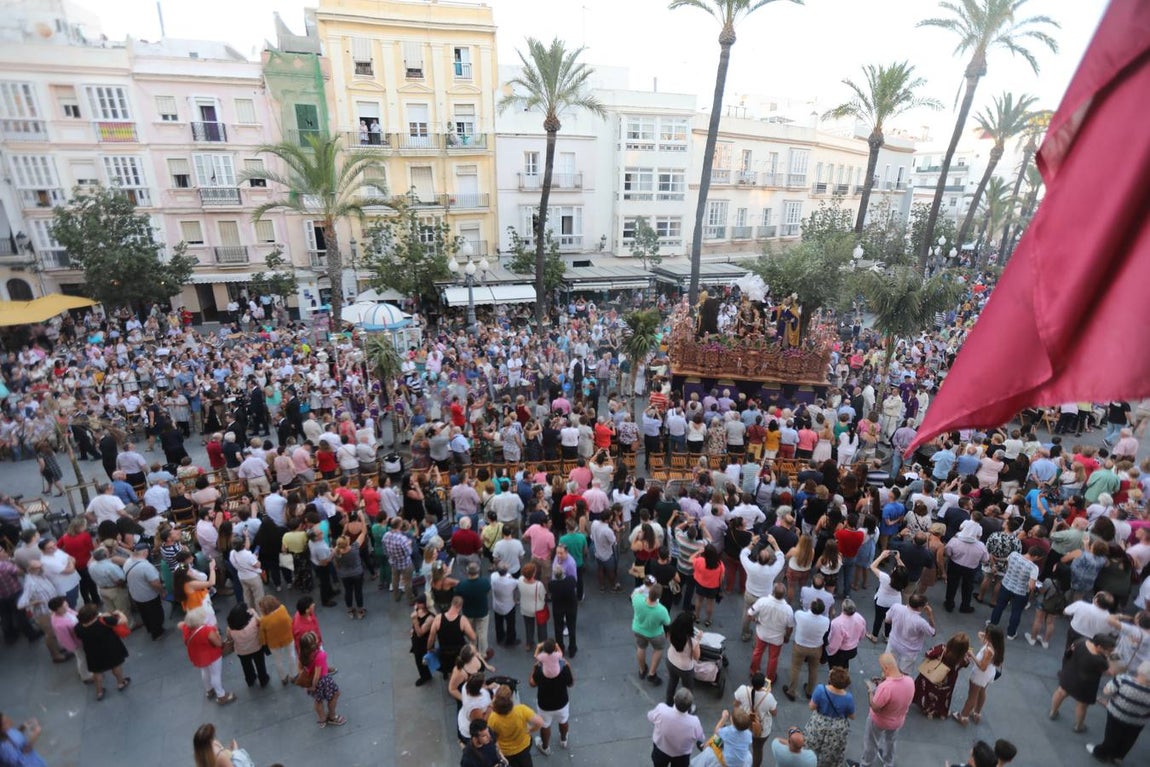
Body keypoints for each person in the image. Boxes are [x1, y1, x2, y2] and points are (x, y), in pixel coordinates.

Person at [1050, 632, 1119, 733]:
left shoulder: (1081, 641)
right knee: (1082, 705)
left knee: (1061, 692)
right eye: (1108, 650)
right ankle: (1079, 726)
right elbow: (1110, 672)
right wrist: (1114, 657)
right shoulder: (1099, 660)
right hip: (1086, 684)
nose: (1109, 652)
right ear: (1099, 646)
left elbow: (1070, 651)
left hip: (1069, 674)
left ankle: (1053, 712)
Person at [1086, 660, 1150, 763]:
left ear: (1140, 669)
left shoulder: (1124, 679)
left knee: (1112, 735)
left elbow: (1106, 691)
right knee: (1129, 739)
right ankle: (1118, 757)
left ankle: (1101, 753)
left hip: (1117, 714)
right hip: (1138, 721)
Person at [857, 653, 914, 767]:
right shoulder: (909, 681)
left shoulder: (886, 687)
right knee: (891, 742)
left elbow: (875, 706)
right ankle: (888, 762)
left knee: (871, 743)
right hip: (898, 720)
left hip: (879, 721)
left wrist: (871, 691)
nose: (882, 671)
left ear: (886, 668)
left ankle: (866, 764)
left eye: (882, 668)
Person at [73, 603, 130, 702]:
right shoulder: (105, 621)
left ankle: (99, 692)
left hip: (92, 653)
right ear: (93, 616)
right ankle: (121, 683)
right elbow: (124, 621)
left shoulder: (78, 627)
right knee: (115, 665)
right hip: (110, 649)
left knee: (97, 672)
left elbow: (78, 636)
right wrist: (119, 613)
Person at [179, 606, 236, 706]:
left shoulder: (185, 628)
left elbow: (180, 624)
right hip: (212, 655)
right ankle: (221, 695)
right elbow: (218, 643)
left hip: (198, 656)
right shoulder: (207, 630)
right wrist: (220, 640)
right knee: (215, 674)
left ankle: (209, 690)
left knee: (204, 671)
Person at [529, 638, 574, 754]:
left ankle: (545, 747)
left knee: (545, 725)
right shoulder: (563, 668)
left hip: (545, 705)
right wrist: (569, 667)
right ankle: (563, 740)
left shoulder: (539, 669)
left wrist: (533, 669)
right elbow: (571, 683)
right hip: (562, 702)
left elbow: (532, 683)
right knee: (563, 721)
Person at [803, 666, 855, 767]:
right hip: (837, 728)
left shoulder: (820, 690)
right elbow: (852, 716)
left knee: (811, 748)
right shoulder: (848, 698)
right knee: (831, 754)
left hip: (819, 723)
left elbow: (811, 706)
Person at [987, 546, 1042, 640]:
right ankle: (1011, 633)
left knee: (999, 606)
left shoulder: (1014, 555)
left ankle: (992, 624)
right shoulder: (1034, 568)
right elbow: (1031, 586)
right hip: (1020, 592)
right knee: (1016, 612)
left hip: (1006, 584)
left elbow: (1008, 565)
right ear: (1036, 557)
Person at [912, 632, 971, 719]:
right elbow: (966, 664)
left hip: (931, 675)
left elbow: (928, 653)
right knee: (942, 696)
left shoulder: (942, 649)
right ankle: (937, 711)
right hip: (947, 682)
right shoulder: (962, 659)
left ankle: (925, 706)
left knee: (927, 690)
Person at [955, 626, 1005, 725]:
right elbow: (980, 634)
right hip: (990, 673)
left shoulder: (988, 651)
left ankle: (963, 716)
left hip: (980, 674)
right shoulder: (996, 646)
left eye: (987, 634)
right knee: (982, 692)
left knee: (972, 695)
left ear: (990, 637)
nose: (984, 634)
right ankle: (977, 713)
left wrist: (972, 654)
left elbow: (982, 667)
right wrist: (987, 635)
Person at [783, 598, 830, 703]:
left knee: (795, 668)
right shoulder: (826, 621)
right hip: (816, 648)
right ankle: (809, 691)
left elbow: (793, 620)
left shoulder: (800, 615)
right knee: (813, 669)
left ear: (811, 607)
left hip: (800, 645)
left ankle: (791, 691)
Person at [486, 683, 543, 766]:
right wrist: (530, 730)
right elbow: (539, 722)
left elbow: (492, 735)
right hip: (523, 745)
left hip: (506, 751)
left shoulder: (493, 717)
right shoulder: (521, 710)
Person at [748, 583, 795, 683]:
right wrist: (787, 636)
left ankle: (754, 671)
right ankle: (770, 678)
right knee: (773, 658)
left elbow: (749, 613)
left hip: (762, 633)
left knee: (757, 652)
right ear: (784, 595)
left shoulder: (762, 601)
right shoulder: (788, 610)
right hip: (777, 638)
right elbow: (790, 627)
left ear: (773, 592)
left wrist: (756, 620)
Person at [298, 629, 346, 727]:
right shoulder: (320, 655)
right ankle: (332, 716)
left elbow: (299, 668)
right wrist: (313, 686)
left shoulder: (302, 654)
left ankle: (322, 719)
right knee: (335, 695)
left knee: (318, 700)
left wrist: (308, 685)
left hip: (311, 681)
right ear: (313, 644)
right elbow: (317, 675)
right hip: (323, 681)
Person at [648, 687, 705, 767]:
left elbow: (650, 716)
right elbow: (701, 738)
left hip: (660, 750)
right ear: (690, 706)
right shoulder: (694, 722)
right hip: (681, 756)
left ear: (674, 698)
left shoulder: (662, 710)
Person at [884, 594, 936, 675]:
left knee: (889, 666)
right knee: (903, 673)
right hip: (908, 651)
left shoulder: (896, 607)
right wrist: (930, 615)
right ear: (919, 608)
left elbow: (887, 620)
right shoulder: (921, 622)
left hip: (893, 643)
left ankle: (885, 683)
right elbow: (932, 632)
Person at [733, 673, 777, 767]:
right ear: (762, 685)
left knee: (740, 743)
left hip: (744, 724)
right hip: (761, 729)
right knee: (758, 749)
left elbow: (736, 704)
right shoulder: (768, 697)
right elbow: (774, 713)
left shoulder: (742, 689)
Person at [123, 542, 165, 640]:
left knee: (145, 614)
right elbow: (155, 583)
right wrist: (162, 591)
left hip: (136, 595)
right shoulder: (146, 566)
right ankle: (157, 633)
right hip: (149, 596)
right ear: (145, 552)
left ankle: (149, 629)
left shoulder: (128, 561)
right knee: (155, 615)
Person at [633, 582, 672, 686]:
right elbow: (667, 622)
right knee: (658, 650)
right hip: (655, 634)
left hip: (639, 630)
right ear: (659, 596)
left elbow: (634, 594)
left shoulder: (637, 600)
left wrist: (641, 590)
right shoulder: (662, 610)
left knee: (641, 647)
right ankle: (652, 673)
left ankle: (642, 670)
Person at [257, 595, 297, 687]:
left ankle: (283, 678)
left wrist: (263, 643)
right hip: (288, 638)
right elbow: (289, 621)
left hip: (274, 643)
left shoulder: (264, 619)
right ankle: (293, 675)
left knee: (278, 661)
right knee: (291, 656)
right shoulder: (282, 609)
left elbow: (262, 634)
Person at [227, 603, 269, 689]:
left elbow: (229, 638)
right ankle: (263, 679)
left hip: (242, 652)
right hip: (257, 648)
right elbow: (260, 623)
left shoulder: (230, 628)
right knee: (260, 664)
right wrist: (252, 611)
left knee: (246, 666)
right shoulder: (253, 620)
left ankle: (250, 680)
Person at [665, 610, 701, 706]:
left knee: (672, 681)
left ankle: (669, 703)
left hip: (670, 660)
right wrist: (698, 639)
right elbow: (696, 657)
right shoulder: (692, 642)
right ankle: (687, 707)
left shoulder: (670, 631)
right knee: (688, 689)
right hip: (685, 669)